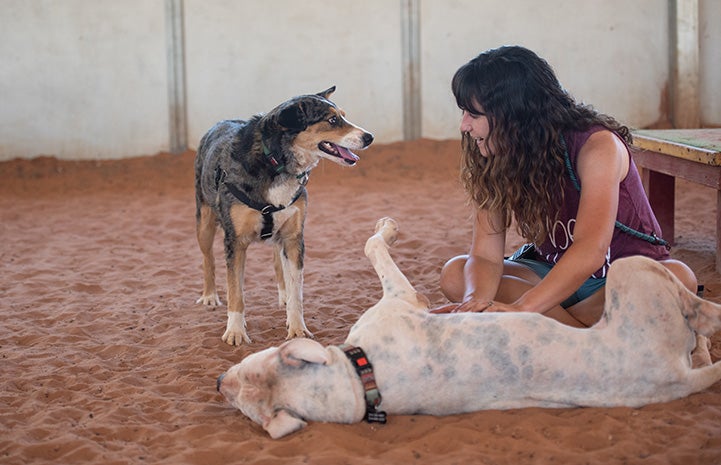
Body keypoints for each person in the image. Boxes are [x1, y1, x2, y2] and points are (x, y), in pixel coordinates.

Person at [434, 45, 698, 328]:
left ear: (514, 115)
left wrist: (523, 307)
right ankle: (584, 331)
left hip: (615, 279)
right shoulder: (495, 151)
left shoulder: (597, 146)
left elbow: (590, 249)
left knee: (676, 279)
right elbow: (485, 255)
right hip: (554, 276)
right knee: (456, 274)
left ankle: (555, 328)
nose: (463, 126)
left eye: (473, 115)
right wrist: (476, 303)